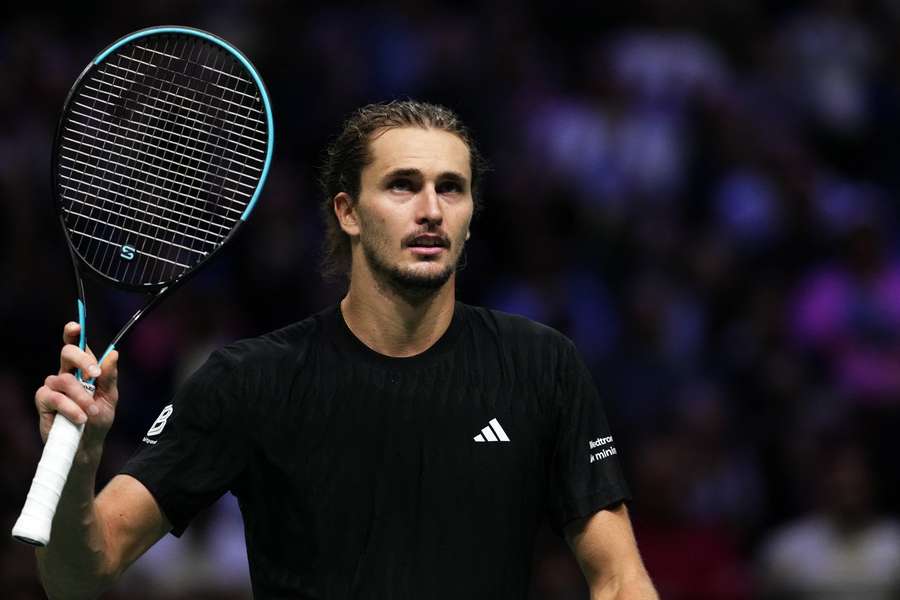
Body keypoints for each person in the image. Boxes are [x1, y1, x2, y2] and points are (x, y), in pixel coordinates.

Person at [32, 100, 657, 599]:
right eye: (402, 186)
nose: (431, 210)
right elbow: (78, 577)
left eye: (451, 188)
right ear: (348, 212)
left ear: (471, 216)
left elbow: (620, 579)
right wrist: (78, 464)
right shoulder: (250, 380)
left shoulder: (541, 366)